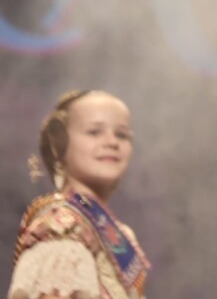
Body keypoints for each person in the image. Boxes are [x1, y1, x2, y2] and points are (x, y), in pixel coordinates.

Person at [8, 90, 150, 299]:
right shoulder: (62, 228)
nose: (112, 142)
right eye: (94, 132)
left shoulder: (117, 231)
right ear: (59, 143)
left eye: (122, 135)